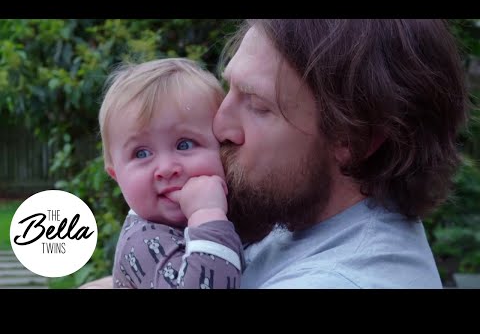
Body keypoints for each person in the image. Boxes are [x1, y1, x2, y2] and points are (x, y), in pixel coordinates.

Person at [81, 19, 467, 289]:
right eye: (228, 89)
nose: (219, 127)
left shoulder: (338, 280)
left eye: (258, 105)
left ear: (353, 138)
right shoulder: (298, 214)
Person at [98, 58, 243, 289]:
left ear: (224, 148)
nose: (166, 168)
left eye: (184, 144)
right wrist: (207, 215)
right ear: (117, 177)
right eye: (142, 153)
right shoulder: (143, 243)